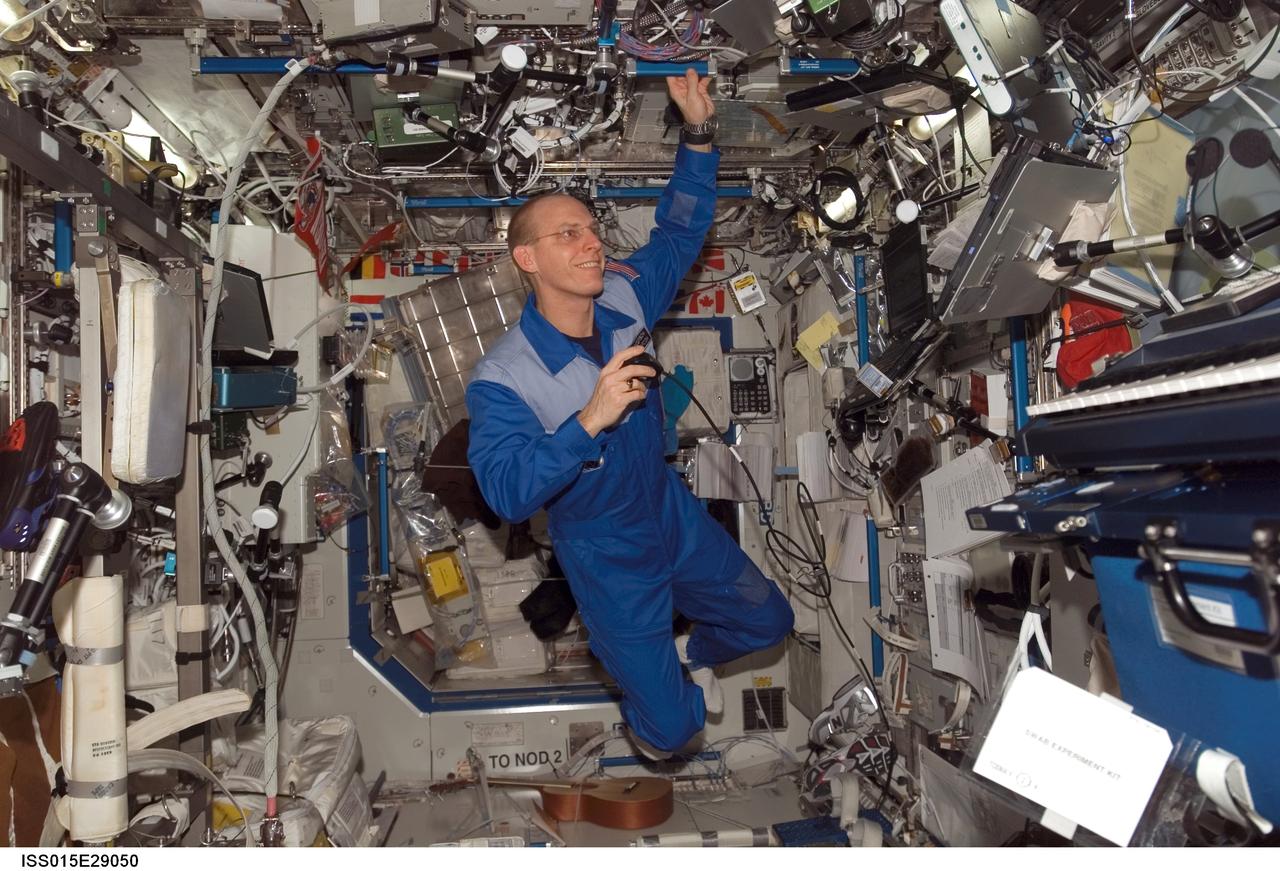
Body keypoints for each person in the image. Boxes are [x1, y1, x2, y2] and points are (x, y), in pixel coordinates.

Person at [466, 70, 793, 757]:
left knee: (769, 620)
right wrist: (589, 418)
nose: (592, 244)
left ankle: (679, 654)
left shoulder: (625, 296)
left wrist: (699, 131)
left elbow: (679, 228)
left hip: (668, 511)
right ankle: (656, 696)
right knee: (677, 732)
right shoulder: (504, 376)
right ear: (527, 258)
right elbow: (505, 492)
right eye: (568, 235)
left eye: (590, 229)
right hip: (606, 549)